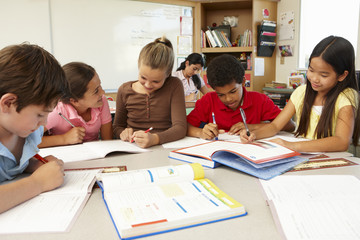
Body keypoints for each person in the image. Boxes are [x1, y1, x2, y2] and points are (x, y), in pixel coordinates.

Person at [241, 36, 360, 152]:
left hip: (333, 161)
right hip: (303, 157)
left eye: (323, 75)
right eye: (311, 70)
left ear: (342, 75)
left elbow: (341, 141)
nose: (314, 79)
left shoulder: (347, 96)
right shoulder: (301, 92)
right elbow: (275, 126)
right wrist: (254, 135)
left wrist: (292, 145)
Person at [0, 43, 69, 213]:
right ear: (8, 103)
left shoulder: (27, 130)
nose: (44, 123)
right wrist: (37, 183)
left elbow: (7, 167)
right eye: (39, 115)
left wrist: (32, 164)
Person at [187, 54, 295, 140]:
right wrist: (200, 132)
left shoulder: (260, 101)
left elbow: (290, 126)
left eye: (233, 91)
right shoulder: (209, 100)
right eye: (221, 95)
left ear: (243, 82)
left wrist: (252, 127)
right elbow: (184, 126)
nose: (228, 99)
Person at [113, 37, 187, 148]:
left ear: (167, 74)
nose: (148, 85)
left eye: (156, 81)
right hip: (132, 148)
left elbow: (180, 128)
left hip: (164, 147)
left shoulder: (174, 85)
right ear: (138, 65)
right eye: (143, 77)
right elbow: (117, 126)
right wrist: (122, 133)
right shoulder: (124, 90)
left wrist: (155, 139)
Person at [39, 62, 113, 148]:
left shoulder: (101, 101)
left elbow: (108, 141)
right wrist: (64, 138)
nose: (102, 93)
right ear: (74, 101)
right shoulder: (56, 111)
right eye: (96, 91)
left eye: (100, 85)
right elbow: (28, 141)